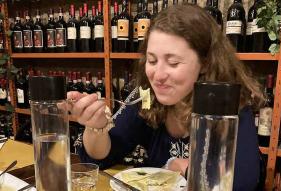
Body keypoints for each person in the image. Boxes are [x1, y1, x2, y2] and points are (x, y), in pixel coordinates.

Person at [68, 4, 264, 191]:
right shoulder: (146, 96)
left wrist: (184, 167)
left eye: (173, 62)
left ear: (205, 63)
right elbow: (102, 158)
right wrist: (95, 126)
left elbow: (242, 181)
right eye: (152, 60)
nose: (158, 75)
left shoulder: (230, 102)